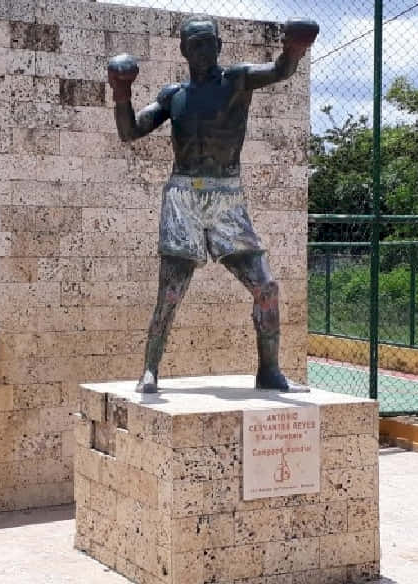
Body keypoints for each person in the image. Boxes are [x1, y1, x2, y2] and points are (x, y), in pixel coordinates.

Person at [107, 15, 319, 393]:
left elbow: (280, 70)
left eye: (209, 42)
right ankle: (150, 369)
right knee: (170, 292)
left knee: (266, 287)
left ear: (219, 46)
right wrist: (121, 92)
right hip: (183, 195)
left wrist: (295, 48)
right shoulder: (174, 96)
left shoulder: (237, 80)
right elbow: (130, 132)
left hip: (226, 195)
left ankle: (269, 371)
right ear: (184, 50)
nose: (203, 50)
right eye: (195, 44)